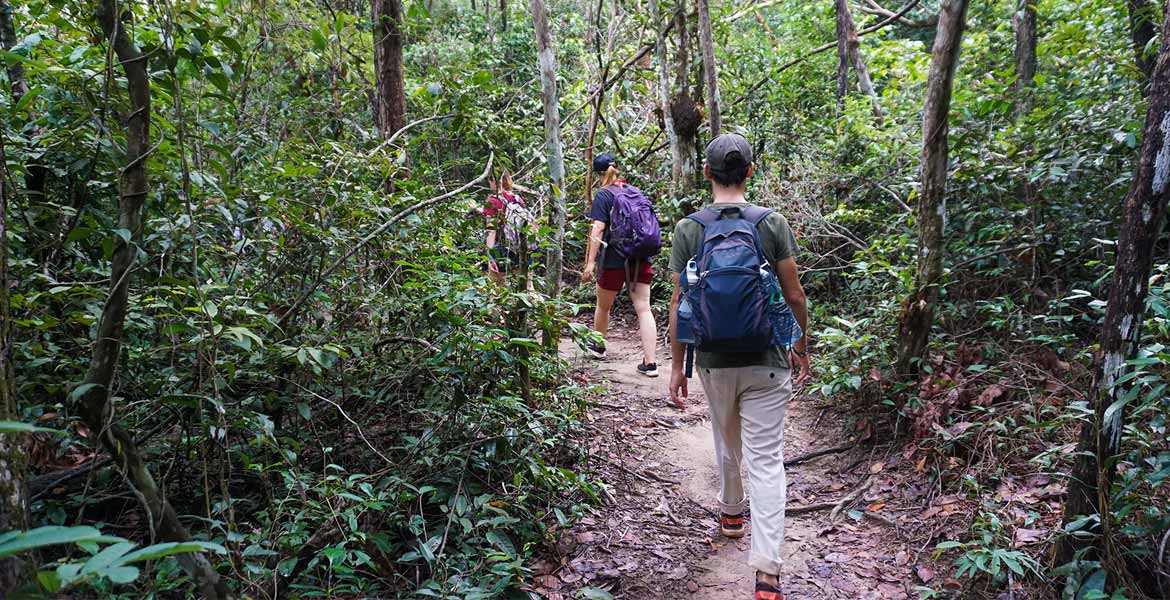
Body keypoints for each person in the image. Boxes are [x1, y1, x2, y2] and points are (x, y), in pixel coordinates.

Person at [667, 133, 810, 600]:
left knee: (726, 436)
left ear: (705, 173)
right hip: (767, 359)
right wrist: (800, 344)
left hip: (711, 360)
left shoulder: (690, 228)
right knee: (766, 460)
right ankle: (767, 571)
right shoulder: (771, 223)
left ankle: (731, 512)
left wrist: (676, 365)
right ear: (750, 171)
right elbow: (794, 294)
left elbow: (679, 303)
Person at [582, 152, 659, 377]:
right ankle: (651, 362)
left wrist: (590, 262)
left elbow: (598, 229)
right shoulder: (634, 191)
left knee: (603, 305)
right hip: (640, 258)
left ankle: (598, 346)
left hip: (614, 260)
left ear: (598, 174)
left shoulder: (604, 195)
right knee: (644, 308)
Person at [484, 170, 534, 288]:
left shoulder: (492, 201)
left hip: (501, 248)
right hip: (522, 247)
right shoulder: (517, 198)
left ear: (493, 181)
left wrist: (490, 256)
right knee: (528, 287)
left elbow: (491, 231)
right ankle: (539, 305)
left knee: (496, 288)